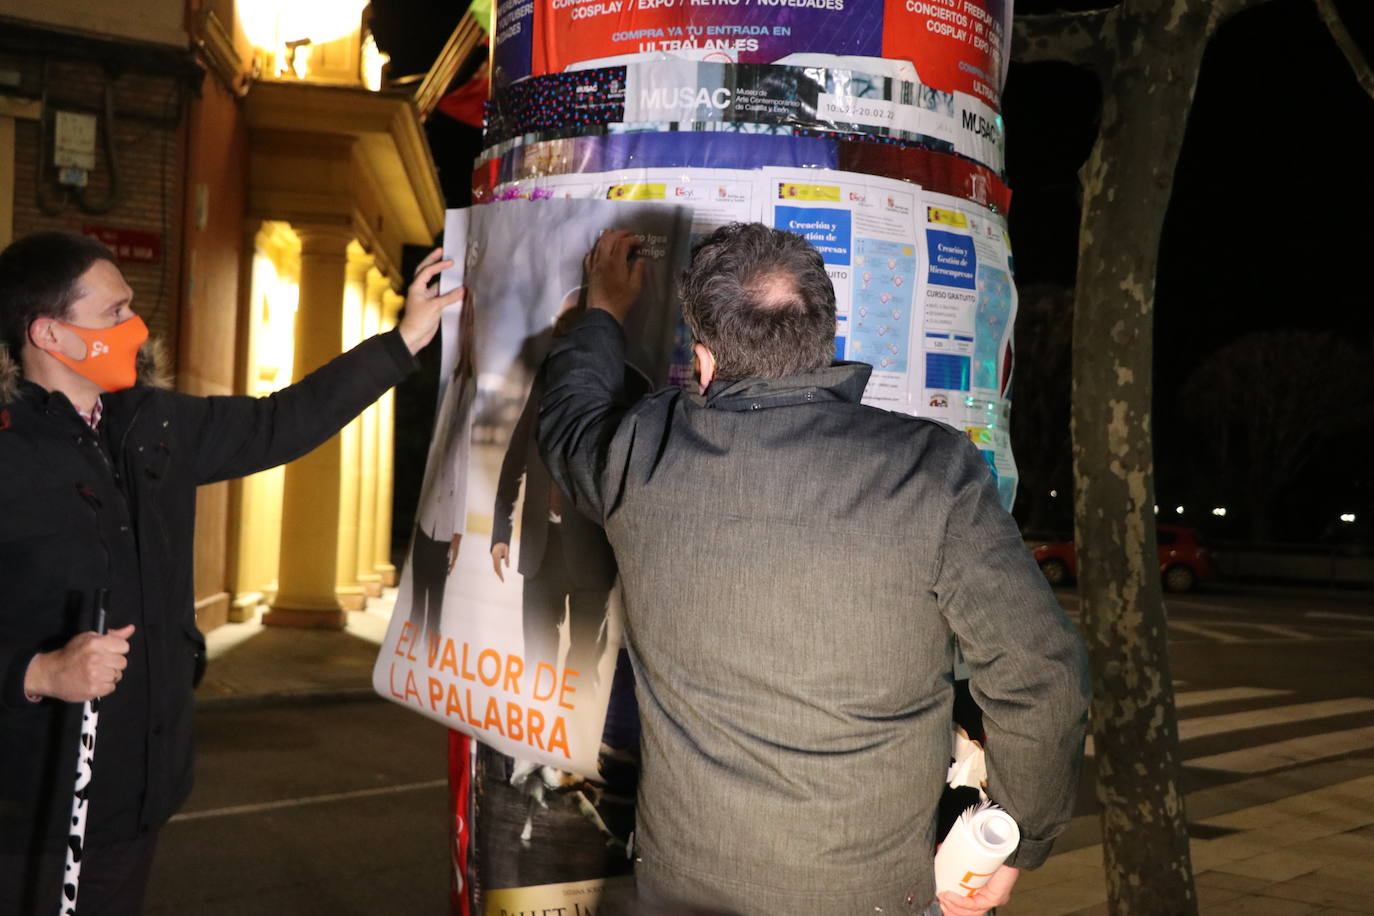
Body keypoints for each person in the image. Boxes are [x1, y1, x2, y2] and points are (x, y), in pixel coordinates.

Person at [536, 224, 1090, 915]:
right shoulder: (931, 471)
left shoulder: (642, 454)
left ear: (704, 362)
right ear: (824, 342)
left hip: (683, 889)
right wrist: (1015, 838)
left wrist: (603, 310)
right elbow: (1043, 675)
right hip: (875, 897)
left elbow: (566, 418)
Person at [0, 230, 462, 914]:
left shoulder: (150, 424)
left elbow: (282, 422)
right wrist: (37, 674)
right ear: (51, 335)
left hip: (136, 796)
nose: (138, 327)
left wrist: (405, 342)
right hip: (31, 815)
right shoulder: (10, 456)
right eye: (114, 313)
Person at [490, 302, 646, 690]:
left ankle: (572, 740)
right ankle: (537, 740)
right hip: (541, 551)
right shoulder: (547, 380)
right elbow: (516, 458)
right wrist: (500, 532)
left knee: (582, 672)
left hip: (593, 554)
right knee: (535, 665)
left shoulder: (635, 386)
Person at [410, 294, 477, 639]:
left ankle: (426, 658)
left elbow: (465, 463)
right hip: (429, 512)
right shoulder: (455, 378)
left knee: (433, 606)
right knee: (417, 601)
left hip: (445, 515)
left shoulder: (476, 384)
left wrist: (458, 529)